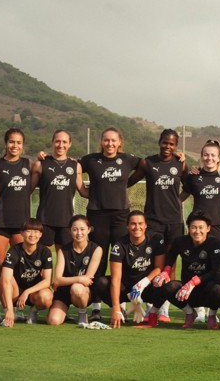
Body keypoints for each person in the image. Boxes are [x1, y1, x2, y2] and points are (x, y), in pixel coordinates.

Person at [80, 127, 141, 322]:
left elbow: (146, 165)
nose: (110, 144)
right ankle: (96, 307)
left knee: (120, 261)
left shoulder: (128, 159)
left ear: (119, 142)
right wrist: (82, 190)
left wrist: (128, 183)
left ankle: (120, 305)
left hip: (120, 216)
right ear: (101, 142)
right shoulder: (91, 159)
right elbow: (72, 167)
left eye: (113, 140)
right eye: (106, 140)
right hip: (97, 215)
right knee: (98, 261)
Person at [127, 128, 187, 323]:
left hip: (175, 221)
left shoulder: (180, 163)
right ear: (159, 142)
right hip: (153, 221)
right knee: (153, 264)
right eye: (165, 142)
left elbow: (191, 184)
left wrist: (178, 201)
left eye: (171, 144)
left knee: (170, 265)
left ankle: (164, 309)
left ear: (176, 146)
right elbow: (127, 181)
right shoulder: (148, 162)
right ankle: (148, 304)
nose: (167, 146)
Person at [0, 128, 33, 321]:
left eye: (19, 142)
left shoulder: (28, 165)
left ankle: (16, 306)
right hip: (0, 223)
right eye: (12, 142)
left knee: (19, 267)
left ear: (23, 145)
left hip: (21, 225)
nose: (15, 146)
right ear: (6, 143)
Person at [153, 210, 220, 329]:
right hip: (186, 292)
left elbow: (216, 272)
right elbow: (171, 255)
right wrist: (166, 272)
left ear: (208, 228)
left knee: (218, 288)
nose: (197, 231)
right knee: (168, 287)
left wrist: (194, 282)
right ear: (188, 228)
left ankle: (212, 316)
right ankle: (189, 313)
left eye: (200, 227)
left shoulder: (215, 243)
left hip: (207, 290)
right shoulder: (180, 241)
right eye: (193, 227)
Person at [92, 210, 166, 329]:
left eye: (140, 223)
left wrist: (143, 283)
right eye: (133, 224)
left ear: (146, 225)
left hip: (147, 288)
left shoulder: (156, 239)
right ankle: (121, 311)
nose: (137, 227)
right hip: (126, 289)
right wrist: (115, 307)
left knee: (163, 282)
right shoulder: (119, 245)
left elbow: (159, 267)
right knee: (101, 283)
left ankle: (152, 314)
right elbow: (116, 279)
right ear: (127, 226)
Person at [31, 129, 86, 252]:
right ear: (52, 142)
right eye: (58, 141)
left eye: (64, 142)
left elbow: (83, 192)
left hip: (66, 221)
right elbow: (26, 190)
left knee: (64, 259)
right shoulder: (40, 164)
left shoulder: (75, 165)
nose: (61, 145)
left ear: (70, 144)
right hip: (45, 220)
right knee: (41, 257)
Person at [47, 214, 102, 326]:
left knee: (77, 288)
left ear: (89, 230)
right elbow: (57, 280)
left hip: (83, 292)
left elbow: (88, 279)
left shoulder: (96, 249)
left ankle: (82, 312)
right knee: (54, 321)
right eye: (75, 229)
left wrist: (76, 280)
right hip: (64, 292)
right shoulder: (63, 250)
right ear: (69, 231)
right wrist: (79, 278)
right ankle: (63, 312)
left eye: (82, 229)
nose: (79, 233)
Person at [0, 218, 54, 327]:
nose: (32, 234)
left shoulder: (45, 251)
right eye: (28, 231)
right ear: (22, 233)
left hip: (33, 293)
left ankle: (33, 311)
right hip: (15, 292)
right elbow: (5, 280)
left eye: (36, 231)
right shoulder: (14, 251)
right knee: (4, 277)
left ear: (41, 234)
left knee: (46, 297)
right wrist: (9, 309)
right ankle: (9, 312)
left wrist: (27, 292)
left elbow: (47, 281)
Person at [183, 139, 220, 243]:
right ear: (201, 157)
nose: (209, 158)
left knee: (219, 258)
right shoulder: (194, 176)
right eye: (206, 155)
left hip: (219, 226)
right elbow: (180, 197)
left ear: (218, 158)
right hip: (198, 226)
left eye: (213, 155)